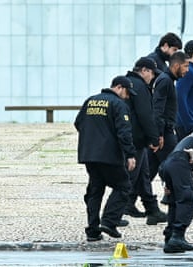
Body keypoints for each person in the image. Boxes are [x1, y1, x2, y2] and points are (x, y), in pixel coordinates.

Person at [74, 75, 137, 241]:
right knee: (123, 187)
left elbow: (78, 123)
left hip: (89, 155)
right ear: (119, 87)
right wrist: (130, 154)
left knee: (95, 191)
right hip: (109, 156)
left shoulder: (90, 101)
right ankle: (109, 221)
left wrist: (92, 139)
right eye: (127, 92)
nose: (128, 96)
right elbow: (124, 132)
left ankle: (93, 230)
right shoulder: (118, 104)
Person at [124, 57, 167, 225]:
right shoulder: (140, 86)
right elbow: (145, 115)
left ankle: (152, 209)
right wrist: (154, 138)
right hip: (136, 138)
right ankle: (113, 215)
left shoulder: (126, 82)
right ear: (144, 71)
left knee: (143, 175)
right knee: (131, 177)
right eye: (152, 74)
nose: (153, 78)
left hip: (129, 136)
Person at [148, 51, 189, 182]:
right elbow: (158, 110)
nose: (187, 70)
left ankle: (127, 200)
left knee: (148, 171)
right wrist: (159, 135)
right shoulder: (165, 81)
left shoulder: (167, 80)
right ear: (176, 65)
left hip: (164, 131)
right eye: (185, 66)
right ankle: (178, 201)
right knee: (176, 167)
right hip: (164, 133)